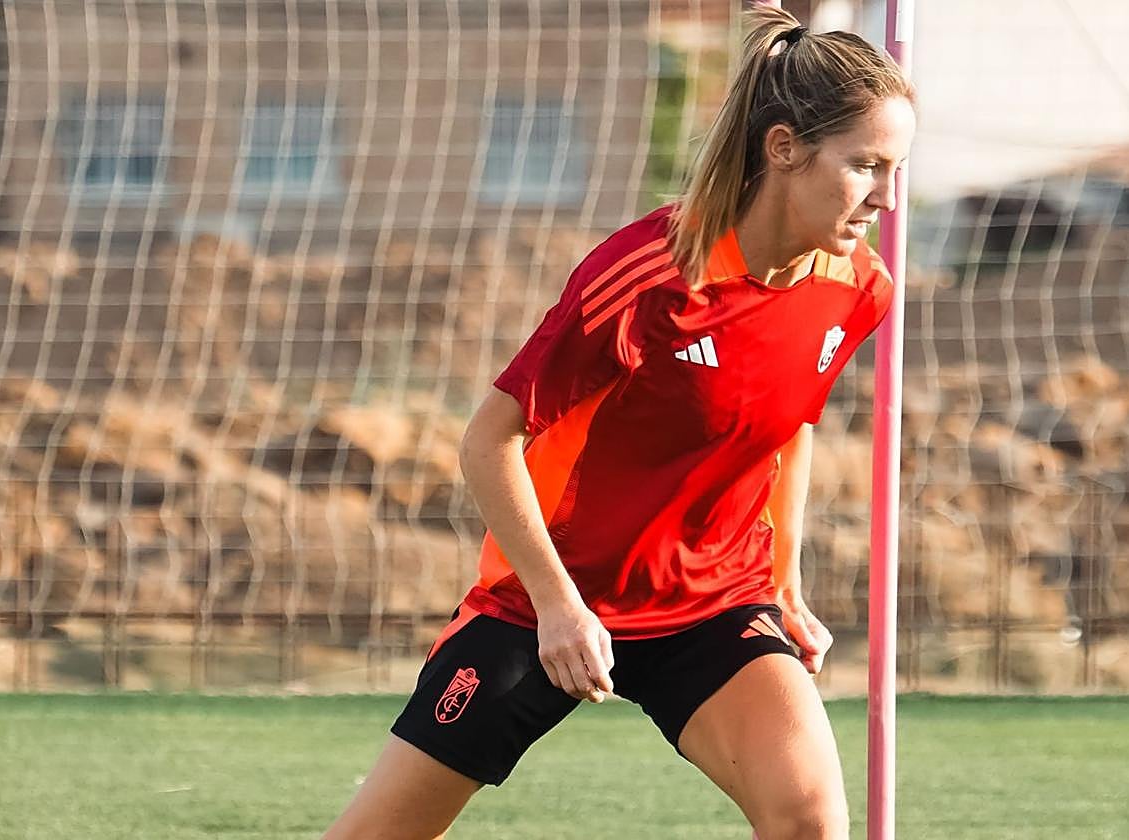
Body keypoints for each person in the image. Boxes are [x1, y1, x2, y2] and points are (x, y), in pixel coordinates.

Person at [324, 6, 915, 839]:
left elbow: (789, 428)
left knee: (811, 820)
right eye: (866, 167)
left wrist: (783, 583)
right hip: (546, 606)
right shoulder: (650, 274)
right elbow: (490, 439)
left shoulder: (857, 288)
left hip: (712, 607)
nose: (887, 198)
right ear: (784, 148)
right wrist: (559, 607)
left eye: (897, 170)